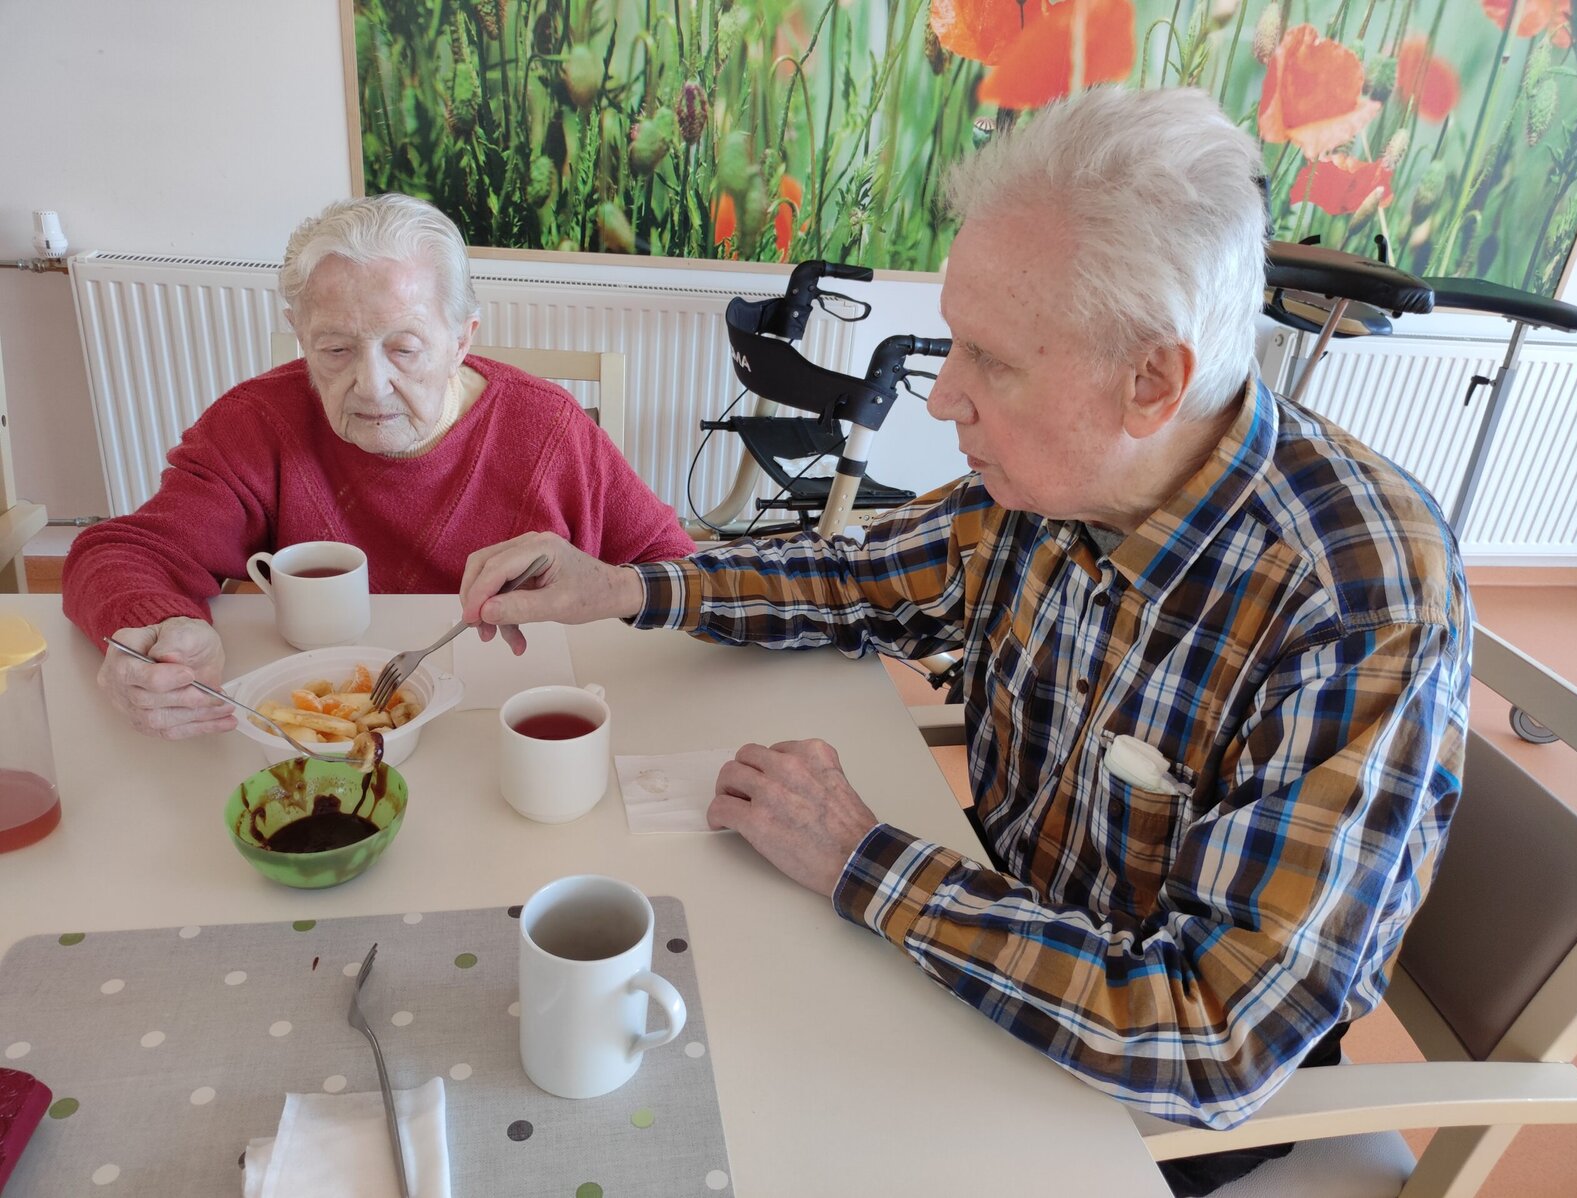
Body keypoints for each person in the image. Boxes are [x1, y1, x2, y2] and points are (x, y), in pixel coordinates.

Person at [458, 88, 1471, 1193]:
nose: (943, 397)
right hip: (992, 926)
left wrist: (862, 859)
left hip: (1138, 1093)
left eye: (990, 359)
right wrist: (624, 585)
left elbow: (1209, 1036)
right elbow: (856, 575)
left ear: (1150, 382)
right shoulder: (1056, 481)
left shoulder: (1355, 601)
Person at [65, 193, 694, 740]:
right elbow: (122, 551)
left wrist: (608, 583)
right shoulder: (257, 424)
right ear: (299, 333)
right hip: (326, 741)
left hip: (508, 729)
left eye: (405, 348)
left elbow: (682, 571)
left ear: (462, 339)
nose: (370, 385)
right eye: (336, 348)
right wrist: (158, 627)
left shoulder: (549, 429)